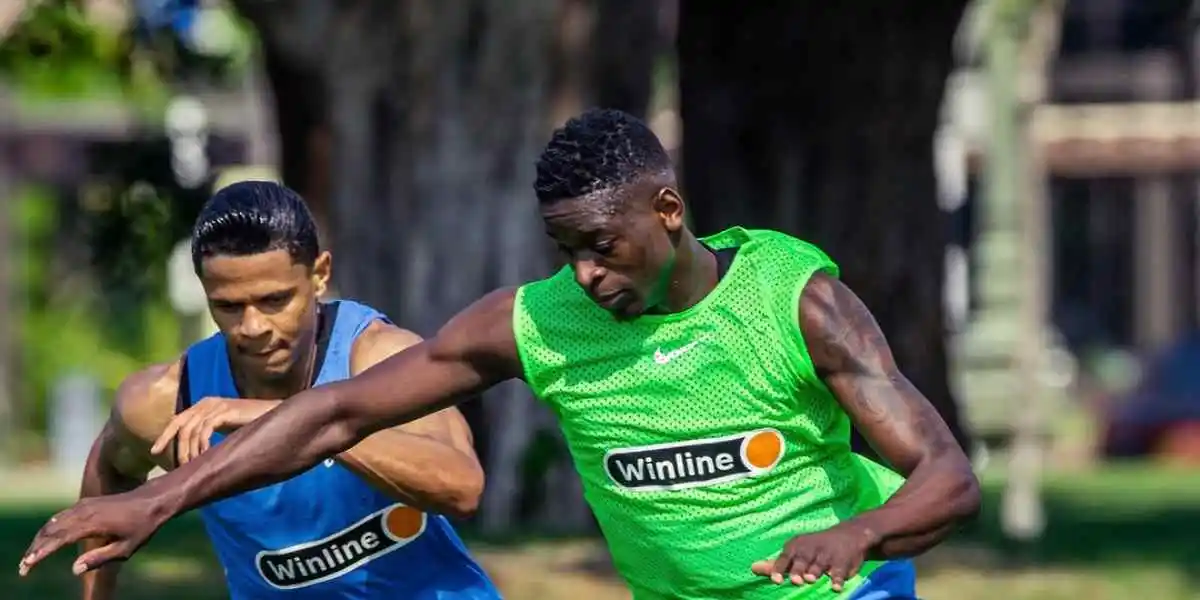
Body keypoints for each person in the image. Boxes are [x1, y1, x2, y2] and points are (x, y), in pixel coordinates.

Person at [21, 110, 981, 599]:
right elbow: (339, 411)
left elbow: (946, 476)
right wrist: (154, 498)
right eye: (567, 250)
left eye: (605, 247)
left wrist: (855, 538)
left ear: (669, 213)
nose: (588, 274)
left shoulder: (795, 304)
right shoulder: (536, 323)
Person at [64, 181, 500, 599]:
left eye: (275, 300)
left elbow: (460, 488)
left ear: (319, 275)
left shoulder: (379, 359)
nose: (252, 327)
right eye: (229, 306)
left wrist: (284, 419)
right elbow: (111, 469)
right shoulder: (170, 401)